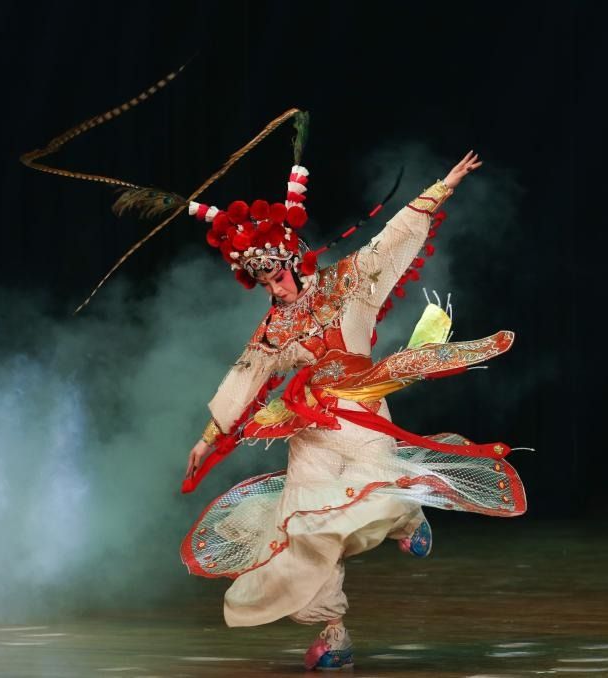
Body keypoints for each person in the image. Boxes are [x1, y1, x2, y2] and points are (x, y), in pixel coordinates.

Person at [180, 151, 528, 671]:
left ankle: (407, 516)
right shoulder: (273, 331)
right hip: (309, 427)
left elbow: (391, 239)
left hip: (361, 407)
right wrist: (207, 438)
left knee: (378, 483)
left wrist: (444, 185)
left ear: (293, 260)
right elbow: (244, 378)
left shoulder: (348, 283)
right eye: (265, 282)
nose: (275, 287)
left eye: (277, 274)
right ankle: (335, 633)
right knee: (306, 529)